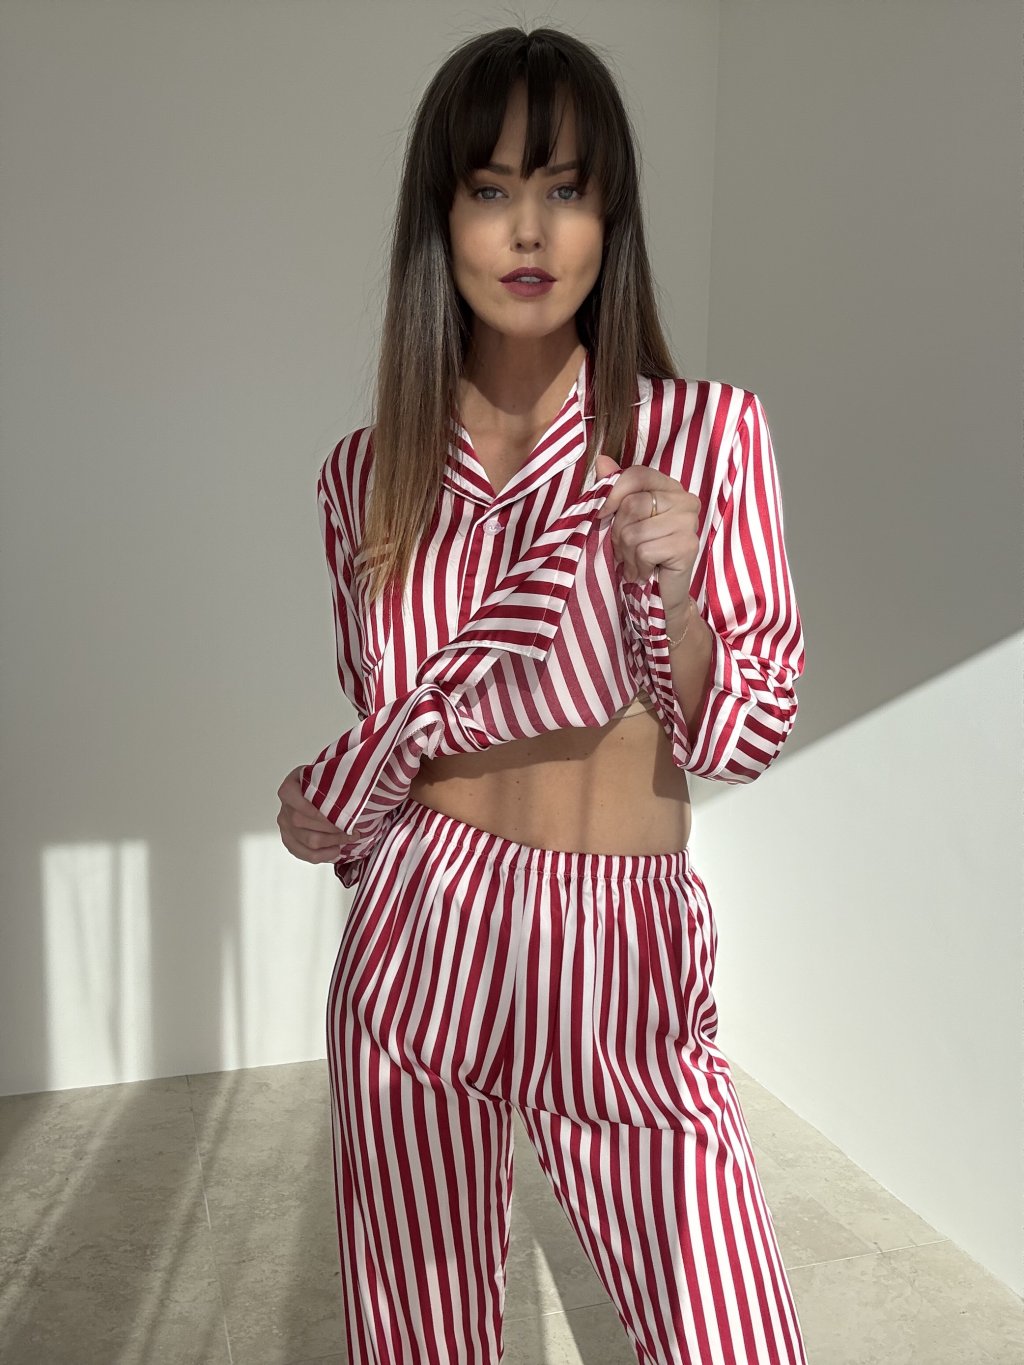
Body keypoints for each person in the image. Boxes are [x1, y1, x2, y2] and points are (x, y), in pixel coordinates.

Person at [276, 24, 808, 1365]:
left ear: (610, 219)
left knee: (726, 1328)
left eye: (567, 188)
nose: (530, 229)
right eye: (491, 187)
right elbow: (393, 721)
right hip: (421, 922)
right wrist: (323, 807)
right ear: (440, 217)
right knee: (418, 1330)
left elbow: (746, 730)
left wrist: (673, 585)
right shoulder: (365, 475)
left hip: (620, 933)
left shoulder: (704, 435)